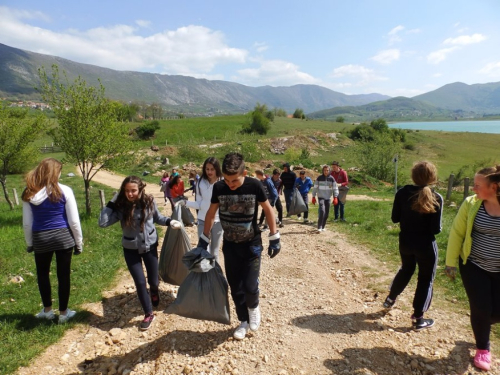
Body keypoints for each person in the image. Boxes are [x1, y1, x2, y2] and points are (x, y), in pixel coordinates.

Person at [198, 152, 281, 340]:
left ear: (244, 173)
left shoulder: (254, 185)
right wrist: (204, 238)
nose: (230, 184)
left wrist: (274, 236)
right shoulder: (219, 187)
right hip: (230, 246)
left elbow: (268, 209)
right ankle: (242, 321)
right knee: (235, 287)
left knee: (250, 286)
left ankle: (253, 308)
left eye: (234, 180)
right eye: (226, 180)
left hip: (251, 245)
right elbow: (211, 214)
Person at [99, 176, 181, 331]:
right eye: (126, 191)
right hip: (131, 249)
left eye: (133, 191)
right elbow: (102, 223)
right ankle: (148, 313)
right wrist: (112, 201)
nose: (130, 194)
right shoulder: (121, 207)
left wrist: (170, 222)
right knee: (140, 282)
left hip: (150, 246)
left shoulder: (149, 201)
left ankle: (155, 291)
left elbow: (157, 218)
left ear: (140, 190)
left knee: (153, 280)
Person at [445, 165, 500, 371]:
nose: (474, 189)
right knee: (481, 308)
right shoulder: (471, 204)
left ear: (494, 187)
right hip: (474, 265)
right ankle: (483, 348)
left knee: (493, 312)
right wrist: (450, 263)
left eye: (478, 185)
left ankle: (482, 322)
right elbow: (457, 233)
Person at [22, 158, 83, 324]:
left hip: (41, 238)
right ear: (56, 172)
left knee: (43, 274)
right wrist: (79, 242)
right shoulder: (65, 191)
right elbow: (74, 221)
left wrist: (30, 243)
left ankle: (47, 310)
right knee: (63, 275)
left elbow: (27, 223)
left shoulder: (29, 193)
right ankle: (64, 313)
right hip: (63, 237)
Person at [383, 161, 443, 331]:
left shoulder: (402, 192)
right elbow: (436, 229)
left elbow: (395, 218)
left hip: (405, 241)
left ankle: (390, 299)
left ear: (413, 176)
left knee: (406, 269)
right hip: (426, 245)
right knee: (425, 279)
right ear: (433, 177)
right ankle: (418, 318)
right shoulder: (436, 197)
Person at [179, 157, 223, 262]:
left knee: (215, 252)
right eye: (207, 169)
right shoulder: (200, 183)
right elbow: (199, 204)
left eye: (212, 169)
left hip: (218, 222)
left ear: (217, 169)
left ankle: (214, 276)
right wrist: (185, 203)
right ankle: (205, 276)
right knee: (204, 250)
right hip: (202, 220)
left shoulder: (223, 182)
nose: (209, 172)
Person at [312, 165, 339, 233]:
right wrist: (313, 196)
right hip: (321, 197)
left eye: (327, 170)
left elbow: (335, 188)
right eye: (324, 170)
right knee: (322, 211)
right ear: (322, 171)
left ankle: (323, 226)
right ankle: (319, 226)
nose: (326, 172)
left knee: (326, 213)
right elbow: (315, 187)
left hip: (328, 198)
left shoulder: (332, 179)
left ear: (329, 171)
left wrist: (335, 197)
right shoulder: (319, 178)